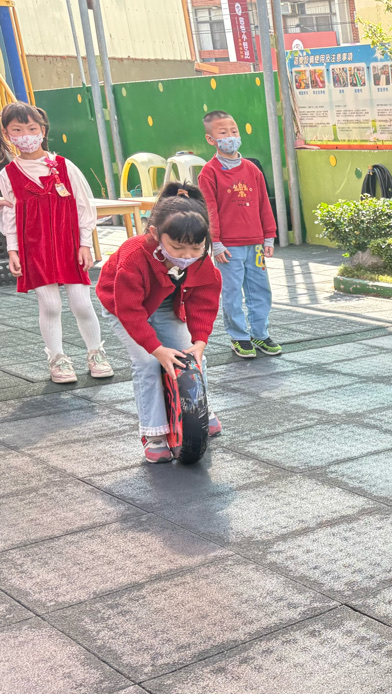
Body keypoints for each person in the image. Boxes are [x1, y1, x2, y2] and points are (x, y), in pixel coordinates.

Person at [96, 183, 223, 464]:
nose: (187, 255)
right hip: (123, 306)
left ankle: (200, 411)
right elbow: (130, 311)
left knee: (190, 357)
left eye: (195, 247)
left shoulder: (201, 260)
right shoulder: (134, 255)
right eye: (177, 247)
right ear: (155, 234)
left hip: (165, 304)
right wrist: (155, 348)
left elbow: (204, 302)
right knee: (147, 362)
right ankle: (153, 432)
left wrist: (199, 341)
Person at [0, 102, 113, 384]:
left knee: (81, 303)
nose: (26, 135)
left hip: (69, 245)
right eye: (17, 130)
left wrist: (85, 244)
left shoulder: (64, 166)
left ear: (42, 130)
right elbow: (9, 214)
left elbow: (84, 207)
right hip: (34, 249)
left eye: (31, 128)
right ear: (6, 134)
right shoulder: (8, 175)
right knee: (50, 305)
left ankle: (96, 353)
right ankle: (57, 359)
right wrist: (13, 249)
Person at [197, 110, 280, 359]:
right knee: (232, 293)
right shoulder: (209, 172)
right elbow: (210, 210)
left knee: (260, 290)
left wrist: (268, 236)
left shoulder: (252, 169)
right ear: (211, 139)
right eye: (223, 133)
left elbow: (264, 204)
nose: (230, 137)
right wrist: (216, 243)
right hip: (228, 248)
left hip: (255, 244)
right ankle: (239, 337)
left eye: (234, 131)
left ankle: (260, 334)